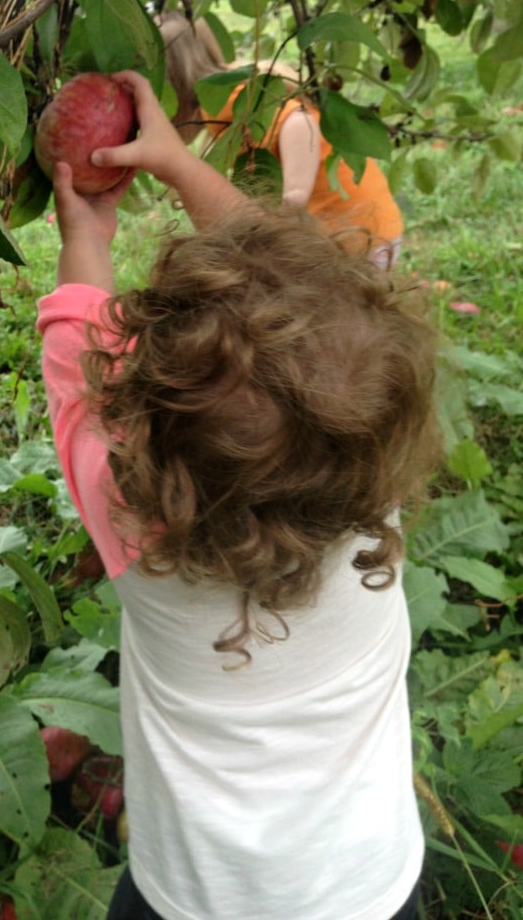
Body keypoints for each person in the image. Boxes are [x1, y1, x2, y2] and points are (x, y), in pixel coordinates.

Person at [36, 69, 439, 920]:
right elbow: (306, 287)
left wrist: (89, 224)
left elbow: (75, 344)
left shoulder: (131, 518)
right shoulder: (367, 494)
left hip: (190, 900)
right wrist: (183, 165)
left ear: (141, 430)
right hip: (367, 892)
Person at [158, 11, 404, 270]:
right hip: (367, 228)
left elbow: (299, 120)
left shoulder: (224, 101)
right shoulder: (231, 89)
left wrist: (293, 197)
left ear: (172, 85)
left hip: (358, 241)